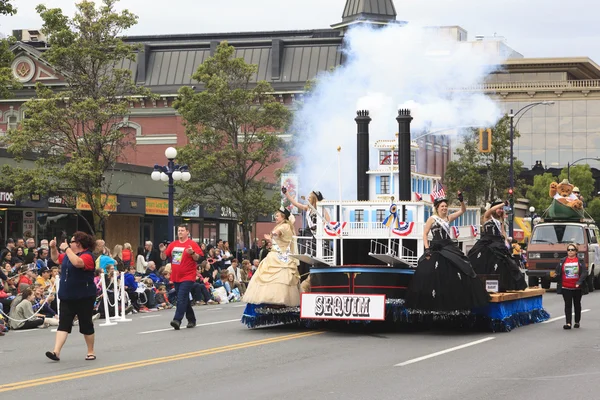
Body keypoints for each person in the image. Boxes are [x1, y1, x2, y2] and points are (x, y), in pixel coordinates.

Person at [405, 194, 489, 312]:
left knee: (461, 266)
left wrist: (461, 200)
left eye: (445, 206)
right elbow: (424, 233)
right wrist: (427, 249)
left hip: (448, 245)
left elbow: (463, 210)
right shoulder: (432, 219)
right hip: (436, 247)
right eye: (442, 206)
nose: (444, 208)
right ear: (437, 208)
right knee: (429, 272)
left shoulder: (448, 218)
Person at [45, 232, 97, 362]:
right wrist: (53, 248)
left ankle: (90, 351)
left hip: (84, 296)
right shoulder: (69, 255)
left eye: (72, 241)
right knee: (63, 324)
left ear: (78, 243)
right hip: (67, 296)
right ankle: (56, 352)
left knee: (86, 324)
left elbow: (78, 263)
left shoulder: (87, 256)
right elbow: (56, 259)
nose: (69, 243)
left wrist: (67, 249)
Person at [243, 207, 300, 306]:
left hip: (278, 256)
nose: (275, 217)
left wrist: (272, 235)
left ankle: (275, 300)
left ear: (283, 217)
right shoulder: (286, 225)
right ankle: (275, 300)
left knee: (275, 277)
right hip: (281, 255)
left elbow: (278, 233)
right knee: (276, 277)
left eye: (277, 216)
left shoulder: (283, 227)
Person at [468, 200, 527, 291]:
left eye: (501, 209)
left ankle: (502, 285)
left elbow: (502, 232)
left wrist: (507, 241)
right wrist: (503, 204)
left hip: (498, 243)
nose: (500, 210)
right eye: (498, 209)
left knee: (505, 263)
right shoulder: (487, 217)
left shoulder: (500, 220)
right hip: (487, 242)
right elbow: (491, 210)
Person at [160, 224, 203, 330]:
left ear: (187, 232)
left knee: (181, 297)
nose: (180, 232)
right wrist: (162, 251)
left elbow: (198, 258)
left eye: (182, 230)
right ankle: (191, 320)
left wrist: (192, 253)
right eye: (179, 230)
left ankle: (177, 320)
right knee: (184, 299)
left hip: (188, 276)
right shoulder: (173, 244)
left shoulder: (192, 244)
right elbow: (164, 257)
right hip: (176, 276)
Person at [555, 243, 588, 329]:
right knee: (567, 304)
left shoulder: (580, 261)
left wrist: (579, 282)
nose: (570, 251)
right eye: (568, 250)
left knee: (577, 304)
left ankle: (577, 321)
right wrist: (553, 275)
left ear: (576, 251)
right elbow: (557, 271)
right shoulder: (563, 261)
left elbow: (584, 272)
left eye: (572, 250)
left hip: (577, 287)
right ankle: (568, 323)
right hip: (565, 286)